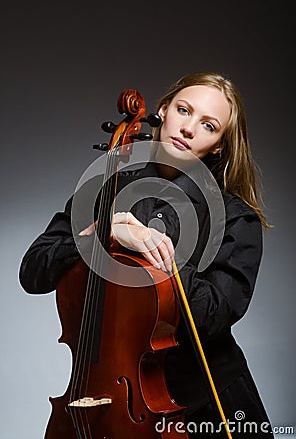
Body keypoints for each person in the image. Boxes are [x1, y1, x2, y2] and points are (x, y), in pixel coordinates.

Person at [19, 72, 274, 437]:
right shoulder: (105, 190)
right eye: (183, 111)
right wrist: (103, 235)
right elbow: (32, 271)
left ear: (218, 145)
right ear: (163, 111)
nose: (188, 128)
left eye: (208, 125)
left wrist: (156, 251)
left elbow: (212, 316)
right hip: (100, 393)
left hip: (204, 404)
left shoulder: (235, 217)